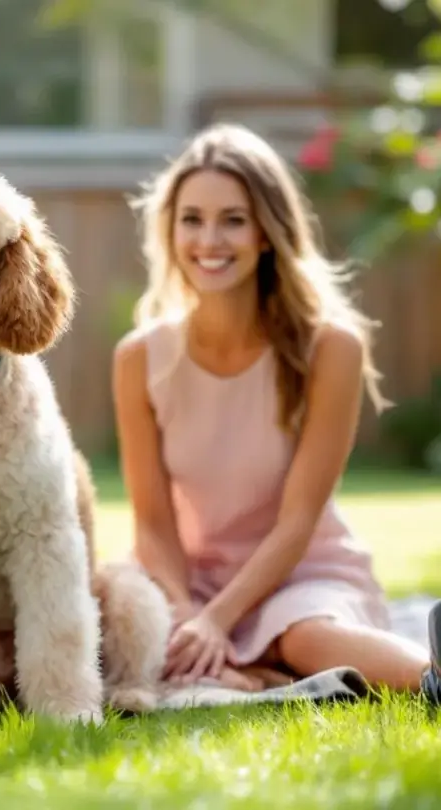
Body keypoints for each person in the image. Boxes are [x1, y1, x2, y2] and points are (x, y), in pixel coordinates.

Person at [112, 122, 441, 696]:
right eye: (192, 219)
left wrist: (220, 620)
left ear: (266, 232)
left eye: (233, 219)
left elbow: (299, 522)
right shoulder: (138, 357)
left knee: (304, 637)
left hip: (299, 573)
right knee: (105, 622)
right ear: (170, 230)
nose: (209, 240)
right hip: (187, 580)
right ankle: (248, 673)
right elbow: (153, 524)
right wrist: (190, 614)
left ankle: (429, 678)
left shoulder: (331, 348)